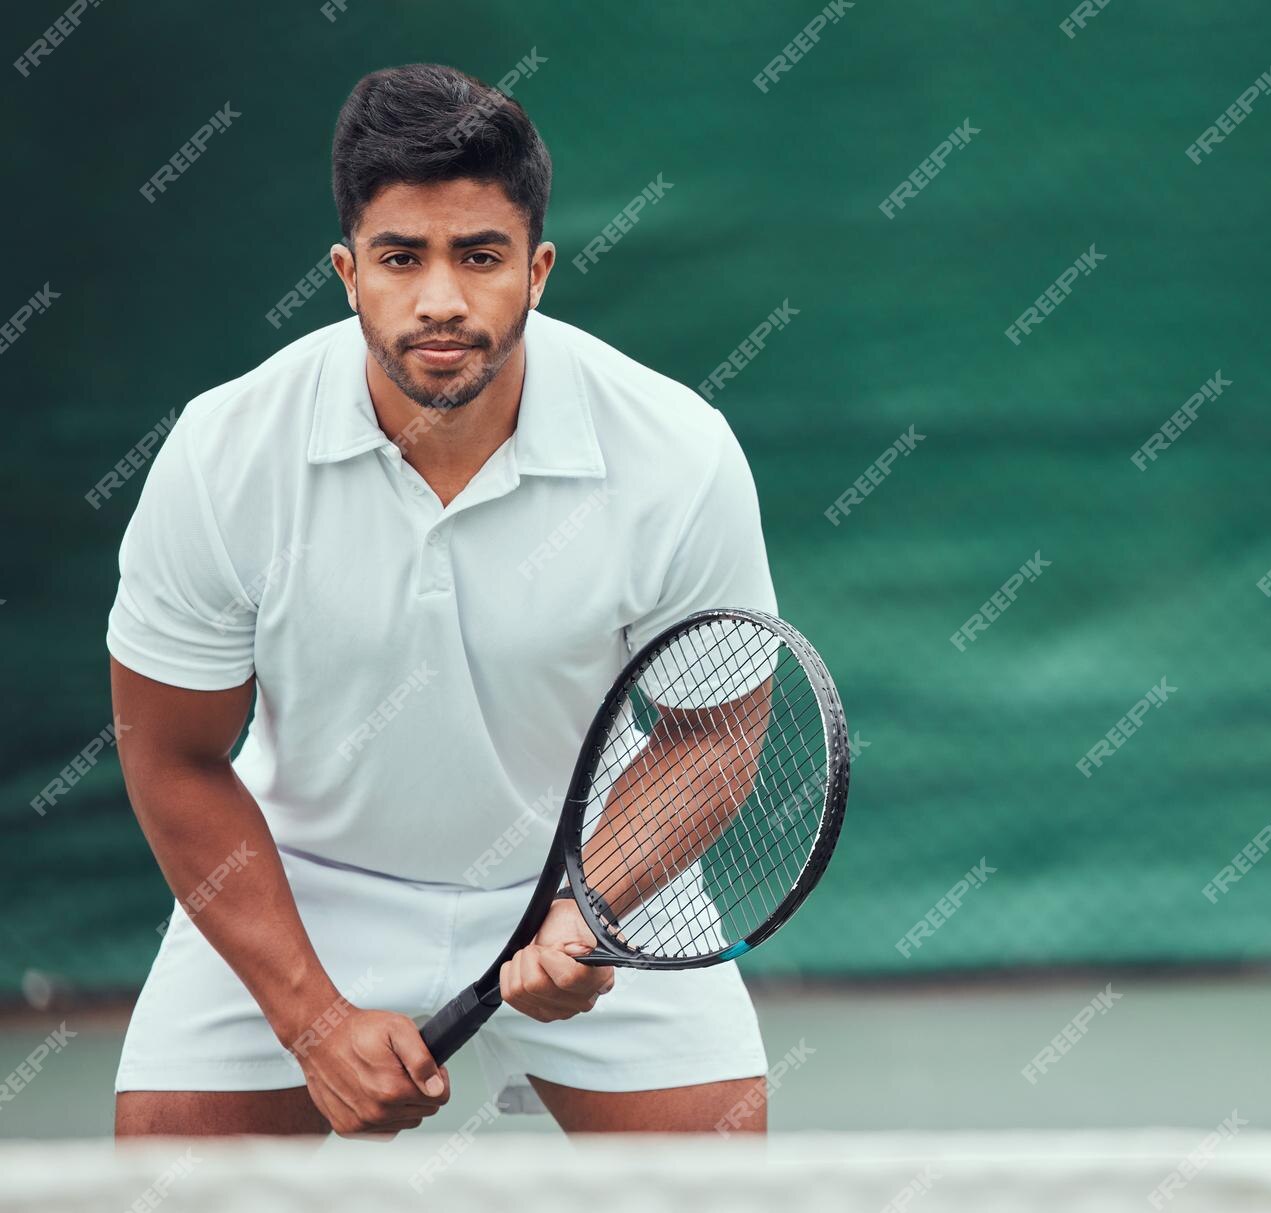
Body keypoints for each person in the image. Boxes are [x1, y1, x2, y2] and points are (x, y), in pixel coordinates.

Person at [109, 63, 775, 1138]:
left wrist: (588, 911)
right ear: (345, 270)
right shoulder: (223, 452)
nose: (441, 301)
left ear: (539, 269)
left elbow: (716, 730)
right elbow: (168, 754)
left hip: (591, 874)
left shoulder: (675, 450)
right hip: (301, 880)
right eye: (400, 257)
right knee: (153, 1183)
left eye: (480, 256)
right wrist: (312, 1020)